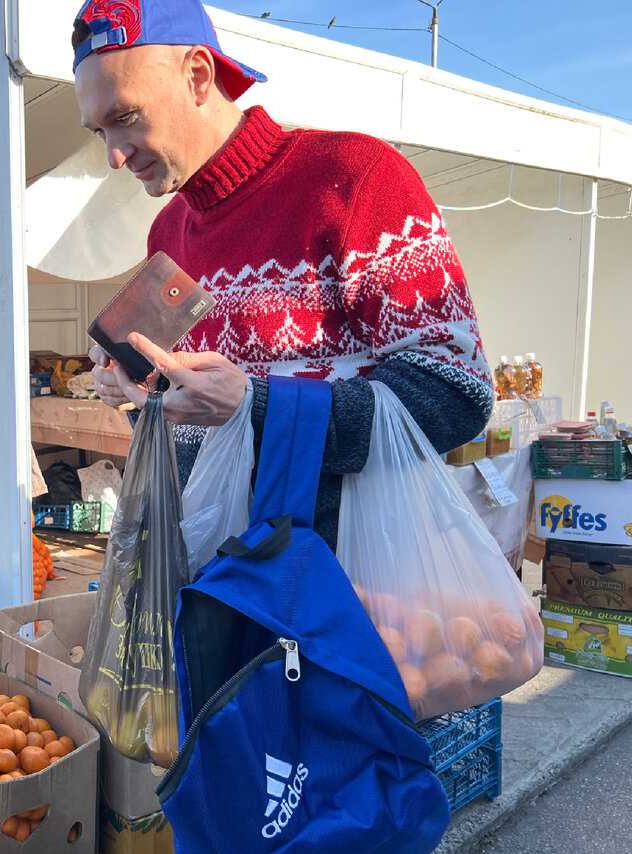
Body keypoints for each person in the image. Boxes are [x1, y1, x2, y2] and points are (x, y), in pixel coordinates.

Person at [73, 0, 493, 551]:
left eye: (125, 118)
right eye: (98, 130)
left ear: (199, 76)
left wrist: (255, 404)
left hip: (350, 592)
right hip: (221, 590)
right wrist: (139, 393)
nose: (114, 156)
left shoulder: (353, 178)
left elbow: (456, 395)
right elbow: (195, 429)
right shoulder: (167, 233)